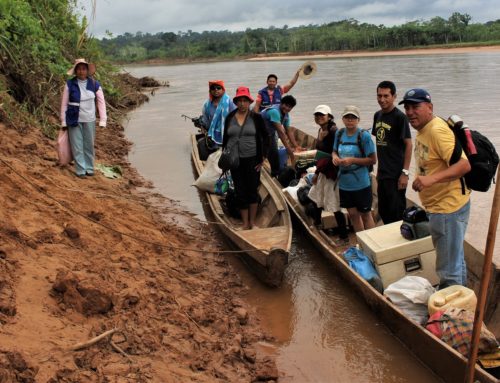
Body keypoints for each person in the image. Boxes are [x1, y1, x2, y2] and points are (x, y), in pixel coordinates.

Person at [400, 88, 471, 288]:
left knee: (448, 270)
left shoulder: (436, 130)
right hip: (441, 206)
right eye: (407, 107)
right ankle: (463, 299)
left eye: (416, 106)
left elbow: (464, 165)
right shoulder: (424, 129)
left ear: (430, 107)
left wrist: (430, 180)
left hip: (447, 208)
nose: (410, 112)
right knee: (455, 260)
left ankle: (452, 313)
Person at [222, 87, 270, 230]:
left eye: (245, 100)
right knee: (240, 191)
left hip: (253, 160)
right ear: (236, 102)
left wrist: (263, 157)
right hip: (235, 161)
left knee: (252, 190)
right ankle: (245, 224)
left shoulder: (256, 117)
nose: (242, 103)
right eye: (239, 101)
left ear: (249, 101)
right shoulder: (230, 117)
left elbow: (266, 137)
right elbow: (225, 139)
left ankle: (253, 223)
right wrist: (225, 159)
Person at [372, 80, 412, 224]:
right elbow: (380, 144)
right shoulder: (377, 116)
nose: (382, 99)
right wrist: (378, 170)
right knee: (383, 210)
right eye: (379, 96)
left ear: (394, 96)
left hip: (396, 175)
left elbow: (408, 144)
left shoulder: (400, 117)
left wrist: (405, 173)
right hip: (383, 173)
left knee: (396, 213)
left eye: (386, 96)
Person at [307, 105, 349, 242]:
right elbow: (321, 155)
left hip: (331, 172)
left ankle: (344, 236)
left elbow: (336, 153)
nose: (319, 117)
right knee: (315, 197)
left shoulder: (333, 131)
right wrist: (318, 171)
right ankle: (317, 223)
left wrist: (318, 171)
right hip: (323, 170)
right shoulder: (321, 129)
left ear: (329, 117)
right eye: (317, 115)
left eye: (322, 115)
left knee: (334, 205)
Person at [332, 105, 377, 232]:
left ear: (358, 120)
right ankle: (360, 243)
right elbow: (334, 151)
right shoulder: (339, 133)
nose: (350, 120)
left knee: (366, 215)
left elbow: (373, 160)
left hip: (361, 183)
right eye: (347, 117)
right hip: (344, 184)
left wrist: (352, 160)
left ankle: (370, 245)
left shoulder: (364, 136)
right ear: (343, 119)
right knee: (352, 215)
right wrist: (334, 157)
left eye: (353, 117)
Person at [60, 58, 107, 178]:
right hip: (73, 119)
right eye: (79, 69)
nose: (81, 72)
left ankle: (90, 168)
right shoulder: (70, 84)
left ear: (87, 70)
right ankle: (80, 170)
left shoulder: (94, 84)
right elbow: (64, 103)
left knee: (89, 145)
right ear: (75, 71)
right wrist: (63, 121)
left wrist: (103, 120)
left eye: (83, 69)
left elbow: (101, 102)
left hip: (90, 119)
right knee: (77, 146)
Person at [261, 95, 301, 177]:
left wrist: (296, 146)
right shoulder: (275, 111)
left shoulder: (286, 115)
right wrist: (289, 150)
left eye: (289, 107)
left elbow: (288, 131)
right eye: (285, 105)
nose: (287, 108)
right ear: (281, 103)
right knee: (273, 155)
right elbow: (281, 133)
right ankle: (275, 175)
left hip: (269, 134)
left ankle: (275, 173)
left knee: (274, 154)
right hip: (259, 133)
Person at [200, 80, 236, 158]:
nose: (216, 90)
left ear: (223, 90)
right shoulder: (206, 105)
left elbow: (236, 118)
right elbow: (206, 121)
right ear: (210, 91)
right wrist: (202, 126)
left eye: (218, 88)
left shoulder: (229, 103)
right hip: (212, 136)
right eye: (213, 88)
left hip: (228, 135)